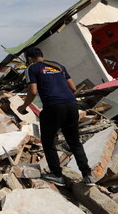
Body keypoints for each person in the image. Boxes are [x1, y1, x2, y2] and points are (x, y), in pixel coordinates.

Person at [17, 47, 95, 187]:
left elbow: (33, 91)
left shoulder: (32, 69)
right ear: (42, 55)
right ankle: (87, 175)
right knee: (74, 142)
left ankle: (57, 174)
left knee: (48, 141)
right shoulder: (58, 66)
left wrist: (23, 107)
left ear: (29, 59)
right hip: (72, 105)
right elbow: (72, 87)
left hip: (53, 107)